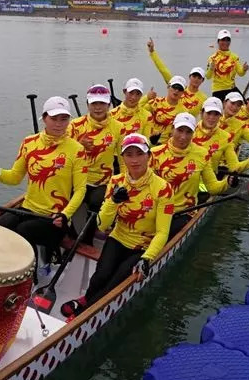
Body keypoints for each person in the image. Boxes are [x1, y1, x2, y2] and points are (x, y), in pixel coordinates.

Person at [60, 133, 174, 318]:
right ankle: (88, 298)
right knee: (100, 276)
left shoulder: (163, 188)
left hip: (143, 246)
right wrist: (113, 201)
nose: (135, 160)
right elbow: (102, 225)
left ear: (149, 156)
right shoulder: (116, 182)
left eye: (140, 153)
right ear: (122, 157)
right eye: (129, 155)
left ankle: (83, 312)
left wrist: (147, 258)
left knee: (115, 283)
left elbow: (162, 232)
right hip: (118, 237)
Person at [0, 96, 87, 264]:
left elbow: (80, 190)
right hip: (28, 209)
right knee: (1, 226)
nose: (59, 123)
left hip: (55, 218)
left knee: (23, 231)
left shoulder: (77, 150)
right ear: (44, 118)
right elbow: (14, 177)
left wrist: (65, 215)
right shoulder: (29, 142)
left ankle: (31, 274)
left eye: (64, 119)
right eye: (54, 118)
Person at [150, 113, 238, 237]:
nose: (183, 137)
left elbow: (213, 188)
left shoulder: (202, 154)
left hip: (183, 213)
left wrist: (227, 182)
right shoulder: (154, 153)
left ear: (193, 133)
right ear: (172, 129)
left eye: (188, 132)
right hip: (155, 211)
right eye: (180, 130)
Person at [68, 84, 125, 239]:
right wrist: (79, 145)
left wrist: (125, 182)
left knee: (96, 201)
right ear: (87, 105)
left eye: (102, 103)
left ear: (109, 105)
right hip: (78, 179)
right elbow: (64, 156)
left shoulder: (118, 127)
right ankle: (73, 232)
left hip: (103, 181)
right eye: (94, 103)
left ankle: (88, 237)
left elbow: (122, 159)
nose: (98, 108)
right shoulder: (75, 125)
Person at [193, 97, 249, 175]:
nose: (212, 117)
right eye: (209, 113)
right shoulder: (189, 131)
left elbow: (234, 166)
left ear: (220, 116)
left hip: (208, 179)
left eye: (216, 114)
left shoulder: (226, 138)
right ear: (201, 113)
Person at [146, 38, 207, 113]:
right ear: (189, 76)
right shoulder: (178, 86)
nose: (196, 79)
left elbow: (206, 116)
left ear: (203, 80)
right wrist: (152, 52)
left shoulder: (204, 98)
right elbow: (163, 70)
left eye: (199, 77)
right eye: (194, 76)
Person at [142, 75, 189, 146]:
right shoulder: (156, 102)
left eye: (180, 89)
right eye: (174, 87)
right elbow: (136, 111)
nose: (176, 91)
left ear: (183, 93)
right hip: (149, 142)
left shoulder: (184, 111)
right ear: (168, 87)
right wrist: (146, 97)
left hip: (168, 146)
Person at [206, 29, 249, 100]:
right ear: (218, 41)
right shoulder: (212, 58)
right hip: (218, 90)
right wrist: (211, 68)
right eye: (223, 40)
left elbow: (240, 73)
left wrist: (244, 70)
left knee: (245, 106)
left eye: (227, 40)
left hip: (231, 89)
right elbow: (208, 76)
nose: (225, 42)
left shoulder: (234, 57)